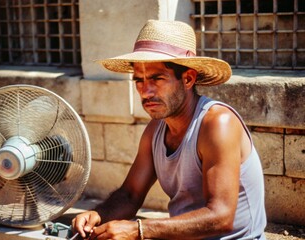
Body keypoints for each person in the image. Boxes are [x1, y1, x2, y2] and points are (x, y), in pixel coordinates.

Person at [72, 20, 267, 240]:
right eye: (139, 80)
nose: (145, 91)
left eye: (157, 78)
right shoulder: (155, 130)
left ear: (188, 78)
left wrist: (139, 230)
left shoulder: (218, 123)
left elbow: (220, 216)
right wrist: (98, 215)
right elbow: (130, 195)